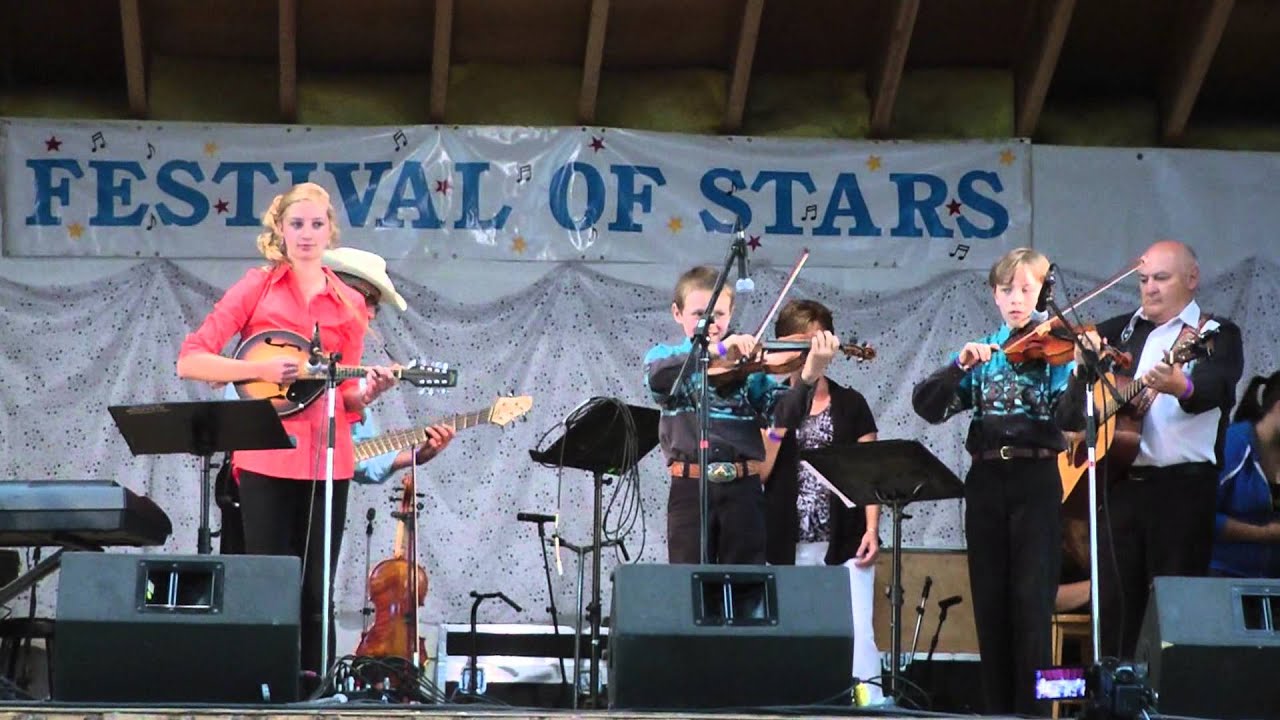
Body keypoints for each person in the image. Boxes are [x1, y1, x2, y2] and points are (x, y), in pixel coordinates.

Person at [177, 182, 398, 683]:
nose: (306, 234)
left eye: (317, 224)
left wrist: (370, 391)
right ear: (279, 228)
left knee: (317, 590)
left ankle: (313, 691)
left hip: (327, 459)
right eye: (297, 224)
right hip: (265, 455)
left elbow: (345, 396)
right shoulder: (256, 287)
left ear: (330, 231)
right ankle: (264, 687)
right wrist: (256, 371)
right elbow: (191, 360)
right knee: (269, 584)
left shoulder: (349, 303)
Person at [1058, 239, 1244, 659]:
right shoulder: (1119, 332)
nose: (1150, 288)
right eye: (1143, 279)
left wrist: (1183, 386)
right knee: (1115, 609)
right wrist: (1082, 370)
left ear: (1192, 279)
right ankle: (1115, 688)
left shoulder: (1216, 334)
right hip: (1120, 485)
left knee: (1175, 614)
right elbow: (1068, 418)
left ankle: (1171, 693)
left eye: (1161, 278)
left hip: (1182, 490)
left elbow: (1217, 387)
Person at [912, 247, 1073, 716]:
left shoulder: (1057, 351)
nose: (1016, 299)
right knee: (990, 602)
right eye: (1007, 290)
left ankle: (1038, 712)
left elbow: (1069, 419)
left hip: (1036, 478)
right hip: (985, 479)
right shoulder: (982, 350)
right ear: (994, 295)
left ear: (1043, 292)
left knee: (1033, 603)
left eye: (1026, 289)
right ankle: (998, 712)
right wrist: (959, 367)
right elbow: (928, 406)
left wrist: (1081, 371)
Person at [644, 266, 838, 565]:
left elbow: (784, 415)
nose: (710, 323)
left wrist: (809, 375)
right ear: (677, 313)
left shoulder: (748, 369)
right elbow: (658, 379)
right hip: (690, 489)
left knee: (746, 583)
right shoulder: (665, 358)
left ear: (731, 312)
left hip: (743, 491)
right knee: (688, 583)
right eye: (699, 314)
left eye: (719, 315)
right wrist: (717, 350)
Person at [758, 299, 883, 705]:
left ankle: (868, 705)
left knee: (857, 631)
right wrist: (785, 413)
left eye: (816, 341)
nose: (808, 352)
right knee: (789, 630)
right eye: (798, 342)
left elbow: (870, 472)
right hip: (785, 537)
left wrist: (872, 529)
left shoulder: (852, 404)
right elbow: (762, 471)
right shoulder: (769, 400)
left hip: (843, 537)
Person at [322, 247, 457, 487]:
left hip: (322, 492)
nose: (371, 314)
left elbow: (362, 461)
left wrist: (417, 456)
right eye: (367, 299)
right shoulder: (277, 343)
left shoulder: (355, 380)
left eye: (375, 306)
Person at [1209, 371, 1280, 578]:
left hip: (1271, 584)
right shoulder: (1234, 442)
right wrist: (1264, 534)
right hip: (1223, 575)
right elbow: (1201, 516)